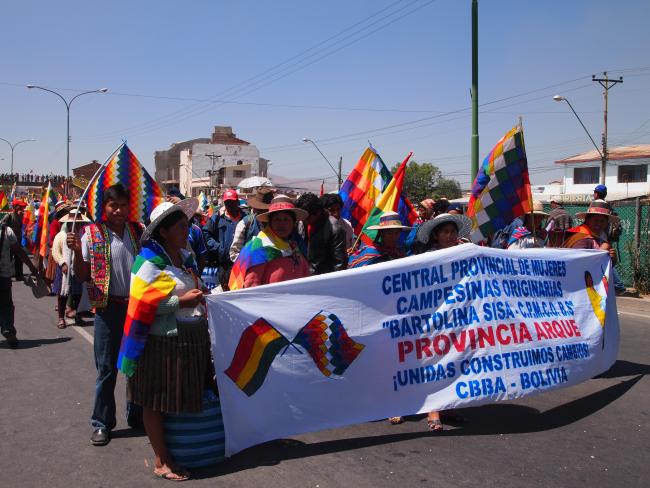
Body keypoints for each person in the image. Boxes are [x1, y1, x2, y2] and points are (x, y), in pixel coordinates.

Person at [120, 198, 213, 482]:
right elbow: (140, 304)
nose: (189, 230)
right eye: (182, 226)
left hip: (189, 338)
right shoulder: (147, 262)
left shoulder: (185, 259)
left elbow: (192, 290)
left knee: (179, 396)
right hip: (161, 343)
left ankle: (182, 451)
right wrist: (180, 302)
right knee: (156, 400)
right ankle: (162, 460)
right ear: (163, 231)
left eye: (188, 225)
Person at [67, 184, 144, 446]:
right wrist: (77, 251)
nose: (119, 210)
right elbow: (81, 275)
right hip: (108, 309)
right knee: (106, 369)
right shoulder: (91, 233)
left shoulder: (138, 231)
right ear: (105, 208)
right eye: (114, 205)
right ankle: (102, 423)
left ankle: (136, 415)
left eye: (123, 205)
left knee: (135, 365)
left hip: (135, 308)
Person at [413, 213, 472, 431]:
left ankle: (448, 405)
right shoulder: (427, 258)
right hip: (433, 318)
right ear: (436, 236)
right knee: (434, 360)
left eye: (453, 232)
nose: (449, 236)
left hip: (457, 318)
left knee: (454, 360)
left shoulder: (463, 254)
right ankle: (433, 409)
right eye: (445, 232)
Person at [230, 194, 310, 289]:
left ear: (293, 223)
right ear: (270, 223)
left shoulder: (295, 246)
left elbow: (306, 277)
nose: (282, 224)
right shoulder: (260, 248)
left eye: (286, 219)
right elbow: (251, 286)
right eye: (277, 219)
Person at [0, 217, 40, 348]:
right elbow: (19, 252)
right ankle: (8, 329)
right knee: (6, 304)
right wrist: (32, 267)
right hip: (4, 276)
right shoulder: (7, 231)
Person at [51, 210, 90, 328]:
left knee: (78, 294)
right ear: (68, 223)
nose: (77, 225)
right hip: (64, 270)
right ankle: (61, 318)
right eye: (74, 223)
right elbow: (55, 252)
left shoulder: (82, 237)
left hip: (77, 269)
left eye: (79, 223)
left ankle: (77, 316)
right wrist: (63, 263)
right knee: (62, 295)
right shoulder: (61, 236)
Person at [203, 188, 246, 290]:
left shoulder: (246, 218)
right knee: (224, 290)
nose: (230, 205)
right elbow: (206, 233)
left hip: (240, 264)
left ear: (237, 202)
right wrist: (218, 247)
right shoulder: (217, 217)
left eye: (232, 202)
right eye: (227, 202)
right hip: (223, 265)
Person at [295, 192, 347, 274]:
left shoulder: (335, 229)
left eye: (307, 218)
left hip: (322, 277)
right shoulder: (302, 223)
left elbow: (339, 264)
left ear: (318, 212)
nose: (303, 220)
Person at [229, 188, 274, 263]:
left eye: (267, 210)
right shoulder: (245, 224)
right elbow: (234, 253)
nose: (265, 212)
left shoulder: (277, 225)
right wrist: (251, 265)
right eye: (262, 209)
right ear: (256, 208)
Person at [3, 200, 28, 280]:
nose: (21, 208)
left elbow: (24, 226)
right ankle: (7, 275)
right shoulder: (8, 216)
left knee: (19, 258)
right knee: (8, 258)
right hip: (9, 241)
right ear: (14, 207)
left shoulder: (22, 215)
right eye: (19, 206)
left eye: (22, 207)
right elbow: (3, 226)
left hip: (19, 240)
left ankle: (19, 275)